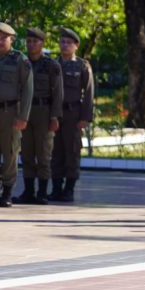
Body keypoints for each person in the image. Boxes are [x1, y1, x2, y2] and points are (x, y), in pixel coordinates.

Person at [0, 22, 33, 207]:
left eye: (3, 38)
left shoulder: (20, 59)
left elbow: (27, 89)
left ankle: (8, 193)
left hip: (10, 112)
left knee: (10, 153)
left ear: (11, 39)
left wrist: (23, 116)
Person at [13, 28, 63, 205]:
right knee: (26, 152)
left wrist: (55, 117)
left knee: (43, 154)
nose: (31, 44)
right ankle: (28, 191)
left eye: (35, 41)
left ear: (42, 43)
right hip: (25, 112)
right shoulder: (22, 63)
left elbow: (58, 93)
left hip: (44, 111)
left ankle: (42, 192)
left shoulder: (51, 65)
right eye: (29, 41)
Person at [49, 28, 93, 203]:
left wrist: (85, 117)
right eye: (62, 42)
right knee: (56, 152)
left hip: (73, 114)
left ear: (76, 46)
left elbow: (88, 93)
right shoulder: (53, 64)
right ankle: (56, 189)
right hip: (55, 115)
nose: (64, 45)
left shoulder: (82, 65)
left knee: (72, 152)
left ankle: (69, 189)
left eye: (68, 42)